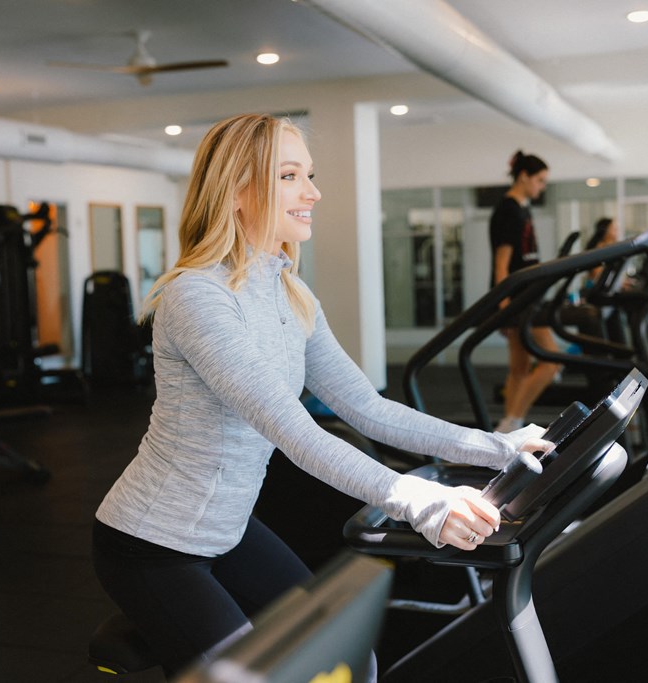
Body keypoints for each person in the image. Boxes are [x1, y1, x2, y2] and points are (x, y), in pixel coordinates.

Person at [90, 114, 552, 677]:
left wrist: (496, 448)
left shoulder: (290, 291)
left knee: (348, 659)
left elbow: (368, 408)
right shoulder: (197, 298)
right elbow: (295, 431)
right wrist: (420, 501)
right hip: (152, 545)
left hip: (230, 531)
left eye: (308, 174)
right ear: (237, 190)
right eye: (289, 176)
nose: (313, 192)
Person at [490, 150, 562, 434]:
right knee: (551, 362)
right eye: (540, 180)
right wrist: (504, 306)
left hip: (529, 296)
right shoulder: (508, 210)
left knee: (520, 368)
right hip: (520, 300)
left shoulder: (522, 208)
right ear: (524, 176)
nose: (542, 187)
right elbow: (502, 263)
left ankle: (508, 424)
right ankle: (514, 421)